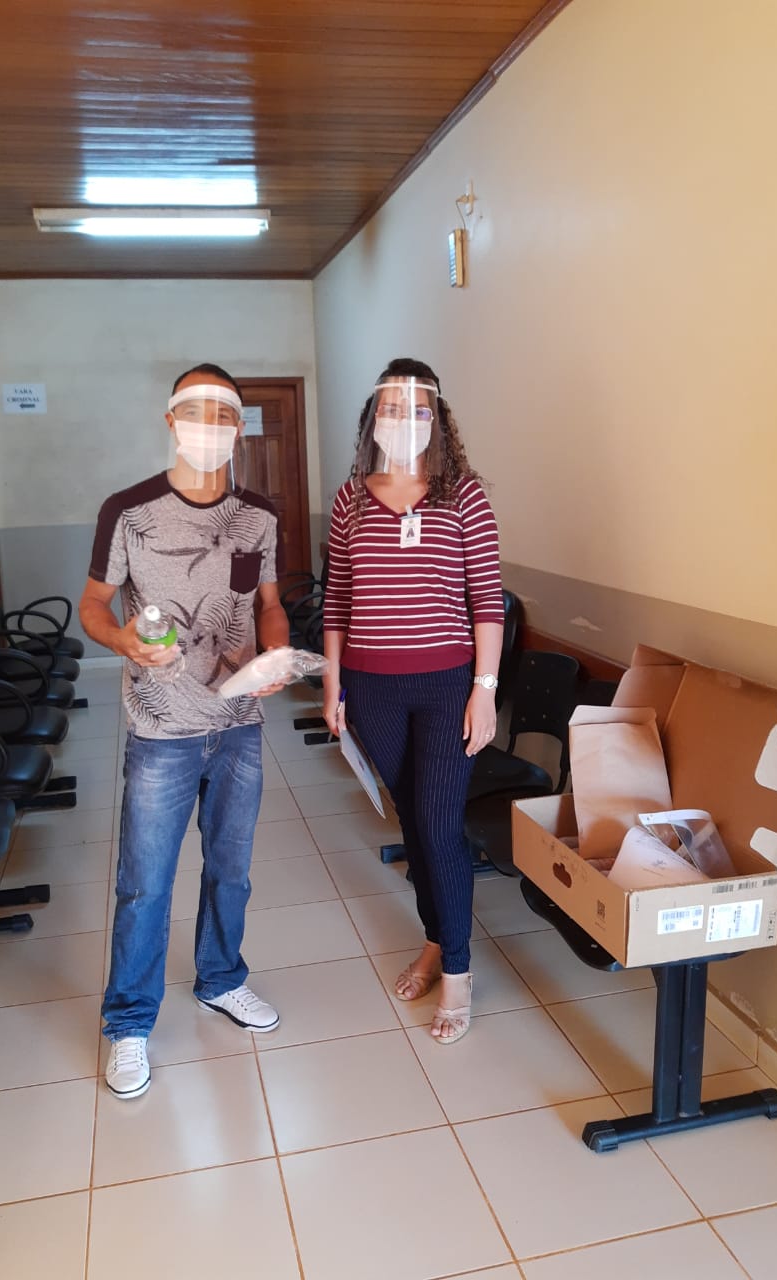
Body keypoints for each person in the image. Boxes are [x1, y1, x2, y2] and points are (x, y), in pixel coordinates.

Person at [80, 362, 289, 1100]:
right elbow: (93, 604)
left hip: (239, 724)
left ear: (239, 426)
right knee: (145, 883)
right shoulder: (128, 511)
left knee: (231, 869)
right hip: (161, 729)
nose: (210, 426)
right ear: (171, 421)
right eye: (196, 411)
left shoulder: (259, 516)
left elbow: (268, 603)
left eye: (224, 413)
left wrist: (274, 650)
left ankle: (221, 979)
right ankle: (130, 1023)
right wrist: (122, 640)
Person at [322, 358, 504, 1045]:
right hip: (372, 690)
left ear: (438, 418)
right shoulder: (350, 499)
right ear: (374, 418)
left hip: (447, 688)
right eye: (391, 409)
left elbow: (487, 603)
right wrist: (333, 685)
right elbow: (337, 600)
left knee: (438, 824)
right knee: (414, 824)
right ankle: (435, 940)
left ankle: (457, 970)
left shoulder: (464, 496)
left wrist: (485, 690)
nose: (404, 420)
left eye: (417, 409)